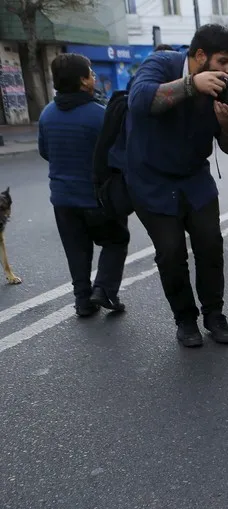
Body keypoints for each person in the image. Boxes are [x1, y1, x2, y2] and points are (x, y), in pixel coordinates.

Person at [122, 24, 228, 347]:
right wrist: (191, 85)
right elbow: (140, 101)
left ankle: (214, 315)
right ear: (200, 56)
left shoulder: (223, 87)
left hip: (194, 178)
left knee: (210, 245)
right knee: (171, 253)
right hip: (152, 180)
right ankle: (185, 320)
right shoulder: (160, 64)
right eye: (223, 62)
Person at [38, 53, 129, 317]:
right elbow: (117, 154)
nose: (93, 77)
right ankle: (104, 289)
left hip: (63, 199)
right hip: (97, 198)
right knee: (116, 241)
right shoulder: (100, 115)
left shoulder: (47, 114)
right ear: (82, 81)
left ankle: (83, 302)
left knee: (76, 252)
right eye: (90, 73)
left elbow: (45, 152)